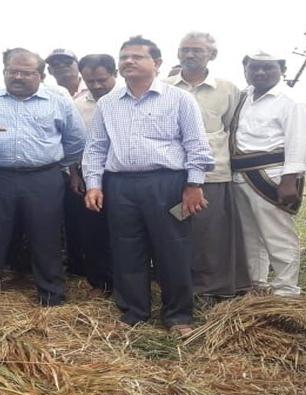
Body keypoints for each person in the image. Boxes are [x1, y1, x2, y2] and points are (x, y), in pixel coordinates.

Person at [82, 36, 215, 336]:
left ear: (156, 63)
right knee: (126, 248)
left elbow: (196, 144)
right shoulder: (107, 104)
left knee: (173, 249)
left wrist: (194, 184)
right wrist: (94, 184)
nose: (128, 61)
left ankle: (178, 316)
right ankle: (133, 312)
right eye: (124, 56)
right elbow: (96, 148)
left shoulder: (179, 99)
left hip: (167, 183)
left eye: (136, 57)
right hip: (120, 185)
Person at [0, 48, 85, 306]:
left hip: (44, 178)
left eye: (26, 73)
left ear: (40, 75)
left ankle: (51, 294)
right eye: (12, 71)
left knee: (46, 234)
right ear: (4, 72)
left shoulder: (58, 101)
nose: (17, 77)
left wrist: (53, 164)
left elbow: (76, 139)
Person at [165, 31, 247, 301]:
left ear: (212, 55)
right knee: (176, 228)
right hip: (172, 171)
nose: (189, 55)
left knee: (211, 232)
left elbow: (233, 128)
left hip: (213, 172)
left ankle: (212, 288)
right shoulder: (163, 87)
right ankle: (178, 284)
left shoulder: (228, 89)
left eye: (197, 50)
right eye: (184, 49)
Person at [232, 51, 306, 300]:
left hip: (273, 176)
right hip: (240, 173)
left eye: (268, 68)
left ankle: (287, 290)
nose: (260, 73)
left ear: (282, 69)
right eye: (254, 68)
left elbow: (299, 141)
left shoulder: (292, 100)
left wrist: (290, 180)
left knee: (278, 235)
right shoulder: (243, 96)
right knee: (249, 234)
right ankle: (257, 283)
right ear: (245, 69)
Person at [66, 54, 118, 295]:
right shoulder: (77, 106)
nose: (96, 86)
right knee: (93, 231)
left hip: (122, 176)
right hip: (89, 176)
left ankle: (132, 281)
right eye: (90, 81)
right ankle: (100, 282)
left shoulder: (128, 100)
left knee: (125, 230)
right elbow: (75, 144)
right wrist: (75, 174)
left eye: (102, 80)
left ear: (114, 75)